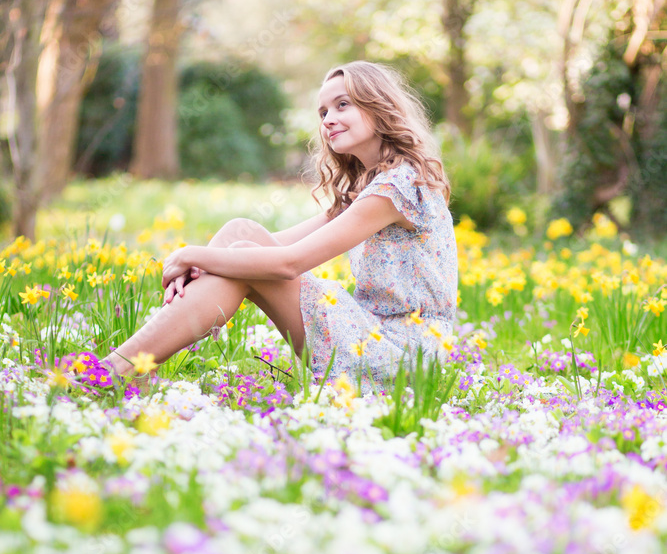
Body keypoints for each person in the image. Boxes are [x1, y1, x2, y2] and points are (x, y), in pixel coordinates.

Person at [102, 60, 457, 392]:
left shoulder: (396, 187)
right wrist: (202, 262)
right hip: (371, 331)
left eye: (342, 104)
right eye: (323, 112)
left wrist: (190, 254)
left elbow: (288, 263)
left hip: (404, 353)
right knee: (240, 234)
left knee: (241, 255)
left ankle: (114, 371)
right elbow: (270, 245)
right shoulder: (366, 189)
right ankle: (136, 364)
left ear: (378, 106)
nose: (328, 119)